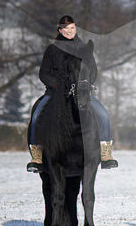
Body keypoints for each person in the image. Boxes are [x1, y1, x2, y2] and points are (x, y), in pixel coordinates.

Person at [27, 15, 118, 172]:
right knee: (36, 116)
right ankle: (37, 156)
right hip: (55, 94)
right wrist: (57, 85)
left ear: (75, 29)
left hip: (82, 93)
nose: (69, 31)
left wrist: (85, 84)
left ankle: (105, 154)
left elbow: (93, 71)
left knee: (103, 115)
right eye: (66, 29)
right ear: (60, 30)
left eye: (72, 28)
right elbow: (44, 73)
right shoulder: (52, 50)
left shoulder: (84, 48)